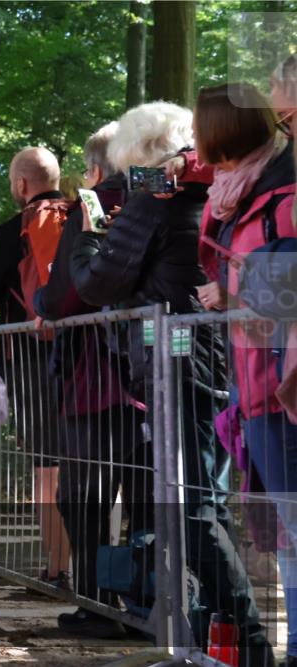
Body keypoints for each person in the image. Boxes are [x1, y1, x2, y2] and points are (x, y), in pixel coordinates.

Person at [69, 101, 275, 665]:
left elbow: (97, 283)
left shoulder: (150, 204)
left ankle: (249, 642)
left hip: (176, 363)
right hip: (213, 358)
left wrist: (85, 238)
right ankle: (222, 637)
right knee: (203, 498)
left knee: (190, 506)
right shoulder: (210, 193)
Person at [193, 83, 295, 663]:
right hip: (254, 384)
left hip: (283, 386)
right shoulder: (239, 194)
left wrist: (228, 286)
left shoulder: (280, 191)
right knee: (282, 532)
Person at [34, 120, 146, 639]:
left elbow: (66, 294)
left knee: (84, 497)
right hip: (151, 379)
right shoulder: (160, 199)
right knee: (144, 497)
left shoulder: (94, 206)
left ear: (97, 168)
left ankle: (101, 605)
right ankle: (143, 607)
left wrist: (45, 305)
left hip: (97, 378)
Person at [0, 146, 72, 590]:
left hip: (31, 360)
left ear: (20, 185)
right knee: (91, 459)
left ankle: (56, 568)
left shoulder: (13, 232)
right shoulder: (84, 218)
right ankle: (99, 570)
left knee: (46, 466)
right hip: (89, 357)